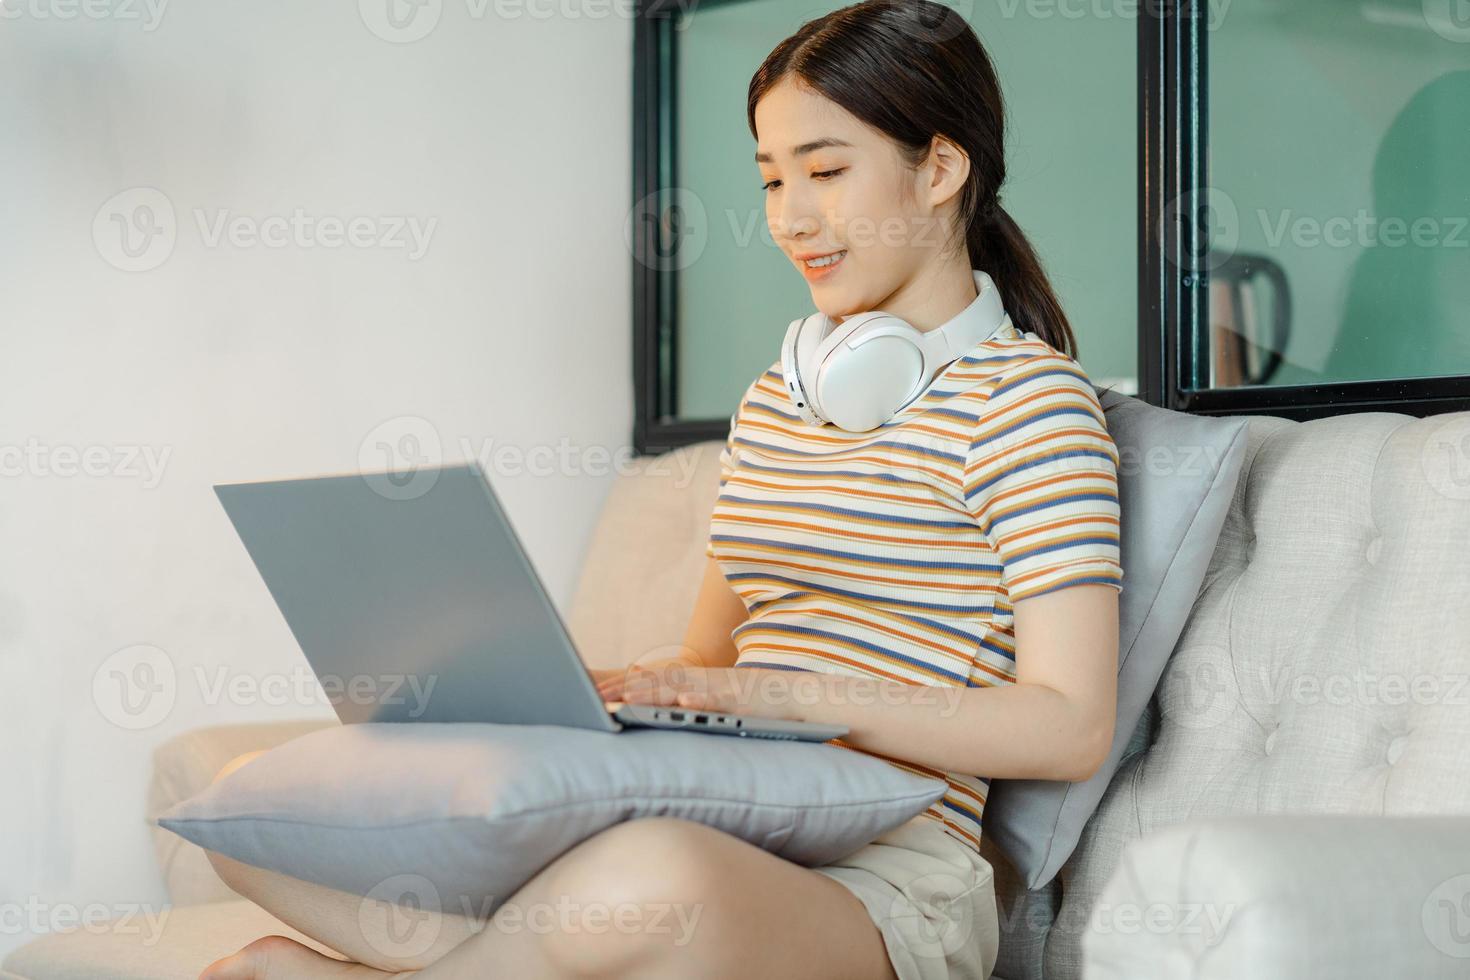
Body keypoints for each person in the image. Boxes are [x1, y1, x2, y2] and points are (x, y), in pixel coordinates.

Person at [199, 2, 1121, 977]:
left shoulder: (1031, 405)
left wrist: (800, 697)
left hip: (884, 877)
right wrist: (596, 692)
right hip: (720, 809)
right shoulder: (776, 403)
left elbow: (1068, 722)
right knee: (248, 807)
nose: (789, 218)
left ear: (939, 169)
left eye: (825, 169)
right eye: (771, 178)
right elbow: (703, 655)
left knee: (652, 874)